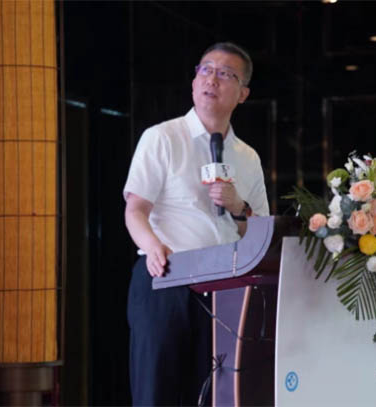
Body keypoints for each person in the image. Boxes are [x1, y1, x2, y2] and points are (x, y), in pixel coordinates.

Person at [123, 42, 269, 406]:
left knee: (213, 395)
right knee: (156, 394)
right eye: (206, 70)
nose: (212, 80)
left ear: (243, 93)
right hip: (165, 278)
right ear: (193, 82)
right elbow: (135, 209)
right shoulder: (162, 137)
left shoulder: (248, 157)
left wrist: (239, 207)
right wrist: (152, 246)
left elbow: (260, 231)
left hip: (224, 288)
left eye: (225, 74)